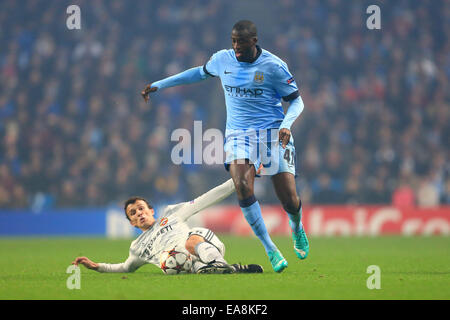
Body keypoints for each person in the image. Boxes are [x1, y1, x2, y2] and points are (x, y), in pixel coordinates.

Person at [141, 20, 309, 273]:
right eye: (233, 41)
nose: (236, 46)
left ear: (254, 40)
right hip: (238, 136)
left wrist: (286, 125)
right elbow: (197, 73)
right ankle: (270, 248)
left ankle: (296, 226)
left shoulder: (274, 67)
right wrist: (160, 84)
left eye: (241, 41)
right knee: (242, 185)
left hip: (273, 133)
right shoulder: (223, 60)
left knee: (288, 197)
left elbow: (297, 101)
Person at [72, 179, 263, 274]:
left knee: (190, 240)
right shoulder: (137, 247)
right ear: (132, 222)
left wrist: (237, 181)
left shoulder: (172, 214)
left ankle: (219, 264)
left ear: (151, 210)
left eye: (141, 208)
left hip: (205, 243)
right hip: (183, 264)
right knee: (171, 259)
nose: (139, 213)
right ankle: (229, 269)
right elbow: (125, 267)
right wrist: (96, 266)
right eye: (133, 213)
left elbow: (206, 199)